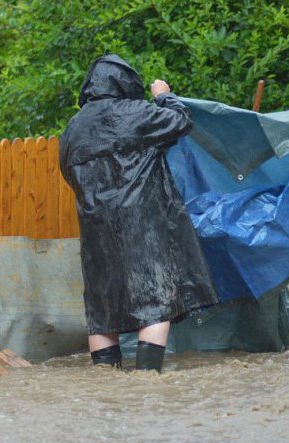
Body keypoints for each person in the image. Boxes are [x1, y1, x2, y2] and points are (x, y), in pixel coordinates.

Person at [58, 54, 218, 372]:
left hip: (96, 229)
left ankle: (108, 381)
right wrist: (163, 95)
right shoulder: (136, 113)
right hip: (143, 224)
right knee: (155, 300)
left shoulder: (73, 128)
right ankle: (146, 379)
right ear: (125, 83)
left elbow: (67, 171)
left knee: (103, 309)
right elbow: (181, 120)